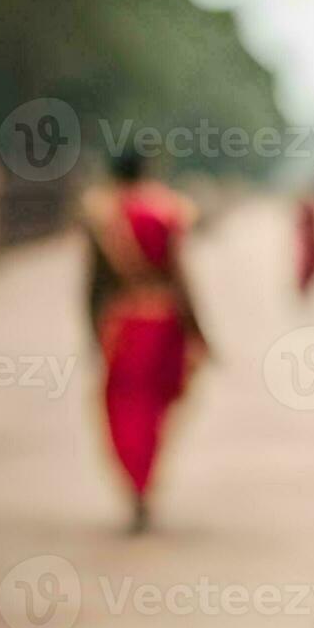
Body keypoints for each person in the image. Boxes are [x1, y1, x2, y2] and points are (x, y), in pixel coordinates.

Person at [80, 151, 207, 534]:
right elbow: (181, 278)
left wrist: (93, 330)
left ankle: (136, 487)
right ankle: (146, 481)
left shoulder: (104, 217)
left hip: (123, 325)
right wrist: (199, 331)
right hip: (165, 321)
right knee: (154, 408)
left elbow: (93, 285)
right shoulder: (166, 212)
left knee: (123, 407)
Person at [296, 173, 314, 298]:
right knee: (310, 264)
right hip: (308, 241)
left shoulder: (311, 203)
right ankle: (304, 291)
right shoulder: (307, 204)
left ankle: (307, 290)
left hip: (312, 240)